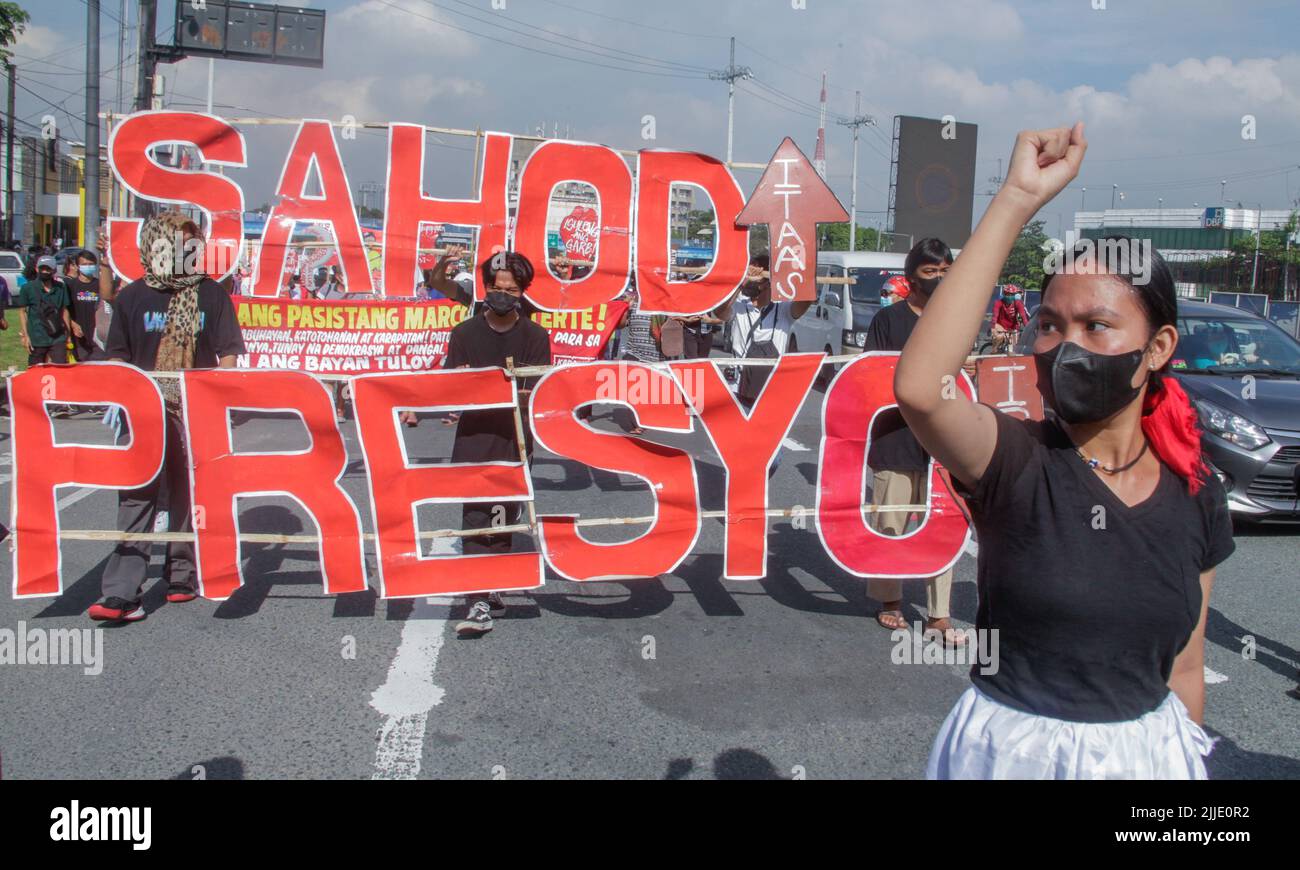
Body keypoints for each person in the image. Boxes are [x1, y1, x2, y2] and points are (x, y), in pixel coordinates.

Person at [895, 123, 1233, 779]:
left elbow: (1186, 666)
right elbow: (922, 391)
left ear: (1158, 349)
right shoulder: (1017, 461)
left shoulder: (1196, 492)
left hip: (1146, 762)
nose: (1063, 345)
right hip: (1007, 755)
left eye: (1096, 326)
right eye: (1050, 324)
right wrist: (1018, 198)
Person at [91, 211, 247, 623]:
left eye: (193, 244)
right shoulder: (131, 297)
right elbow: (118, 357)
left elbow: (229, 351)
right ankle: (122, 593)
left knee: (188, 495)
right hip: (143, 412)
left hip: (193, 412)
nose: (188, 251)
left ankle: (181, 574)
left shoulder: (211, 295)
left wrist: (216, 394)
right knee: (136, 498)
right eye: (179, 243)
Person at [408, 251, 551, 637]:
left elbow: (534, 393)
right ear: (486, 289)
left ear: (522, 293)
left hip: (515, 440)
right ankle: (478, 601)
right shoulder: (465, 333)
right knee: (474, 517)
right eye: (497, 288)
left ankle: (493, 580)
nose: (503, 295)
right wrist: (423, 406)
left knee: (504, 516)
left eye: (512, 290)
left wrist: (496, 386)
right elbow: (448, 387)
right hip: (473, 440)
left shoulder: (536, 337)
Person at [861, 238, 965, 646]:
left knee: (944, 523)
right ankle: (890, 601)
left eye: (945, 271)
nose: (939, 279)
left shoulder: (958, 318)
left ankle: (940, 613)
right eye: (930, 271)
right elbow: (870, 376)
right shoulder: (888, 320)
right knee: (891, 520)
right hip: (895, 435)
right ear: (911, 277)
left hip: (944, 440)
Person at [724, 252, 811, 407]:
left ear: (769, 282)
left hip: (773, 391)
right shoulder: (739, 307)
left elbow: (805, 301)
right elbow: (720, 310)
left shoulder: (783, 310)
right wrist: (742, 281)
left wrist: (799, 273)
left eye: (758, 278)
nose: (753, 282)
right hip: (738, 388)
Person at [17, 255, 77, 365]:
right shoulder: (28, 288)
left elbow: (64, 311)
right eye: (42, 268)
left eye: (48, 269)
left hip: (58, 337)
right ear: (36, 269)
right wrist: (26, 336)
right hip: (37, 337)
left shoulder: (61, 287)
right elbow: (22, 311)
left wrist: (68, 335)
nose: (44, 271)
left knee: (60, 368)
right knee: (36, 371)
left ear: (54, 270)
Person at [66, 249, 104, 361]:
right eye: (84, 264)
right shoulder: (70, 286)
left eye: (91, 264)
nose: (88, 266)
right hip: (78, 339)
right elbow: (64, 310)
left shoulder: (100, 285)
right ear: (77, 266)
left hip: (97, 339)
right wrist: (73, 325)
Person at [990, 283, 1029, 350]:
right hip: (1000, 326)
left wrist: (1028, 328)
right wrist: (993, 328)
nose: (1009, 296)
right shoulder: (998, 303)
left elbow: (1023, 317)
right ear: (1004, 294)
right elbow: (995, 316)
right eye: (1007, 294)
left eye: (1011, 294)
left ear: (1014, 295)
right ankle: (994, 351)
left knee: (1013, 347)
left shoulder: (1018, 303)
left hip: (1013, 327)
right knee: (1000, 337)